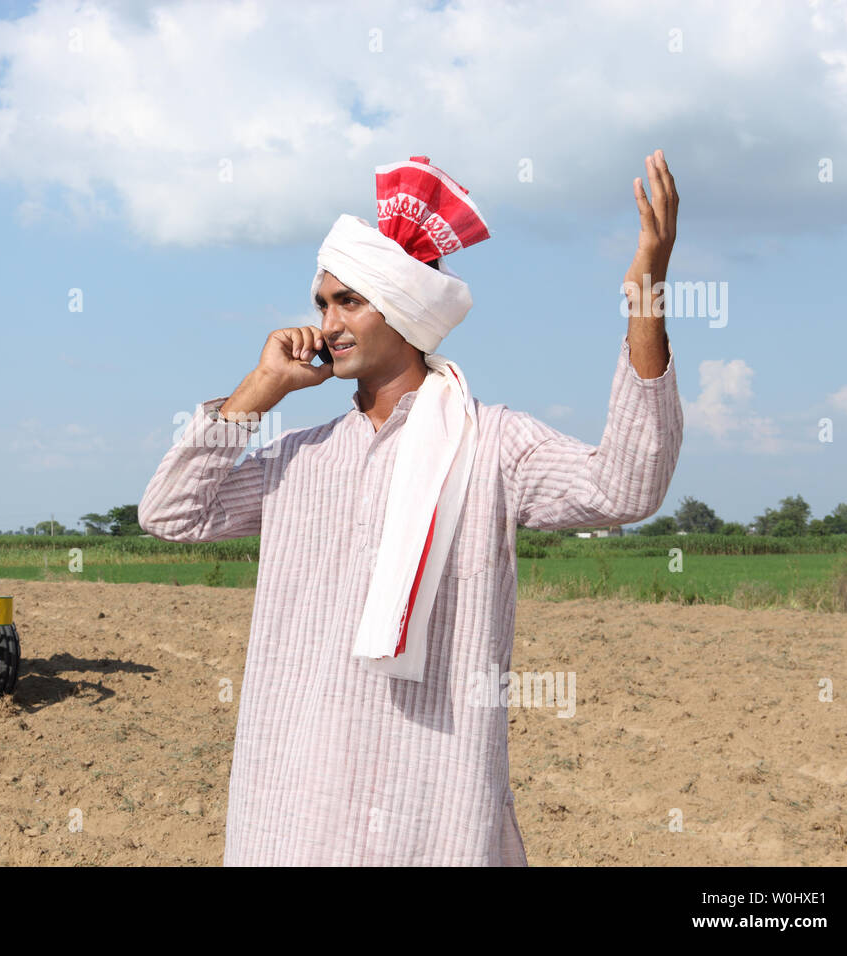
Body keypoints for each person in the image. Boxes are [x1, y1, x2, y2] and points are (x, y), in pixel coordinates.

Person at [139, 151, 683, 865]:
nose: (328, 324)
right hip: (295, 806)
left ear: (404, 315)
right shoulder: (300, 457)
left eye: (350, 302)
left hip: (431, 805)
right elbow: (171, 514)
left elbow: (626, 487)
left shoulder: (492, 444)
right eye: (322, 303)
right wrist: (257, 391)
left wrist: (647, 290)